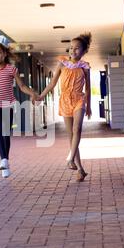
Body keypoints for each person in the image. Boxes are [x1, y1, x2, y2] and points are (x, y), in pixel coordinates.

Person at [0, 43, 40, 178]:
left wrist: (32, 93)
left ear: (4, 54)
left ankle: (6, 160)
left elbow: (22, 86)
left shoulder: (11, 70)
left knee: (6, 132)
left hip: (8, 104)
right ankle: (3, 160)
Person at [40, 33, 92, 182]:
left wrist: (88, 107)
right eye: (71, 48)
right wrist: (41, 96)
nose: (73, 51)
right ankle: (81, 169)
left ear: (84, 51)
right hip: (64, 100)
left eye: (77, 49)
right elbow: (52, 84)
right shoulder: (62, 63)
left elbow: (88, 89)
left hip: (78, 99)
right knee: (71, 137)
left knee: (77, 130)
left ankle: (70, 159)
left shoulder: (85, 67)